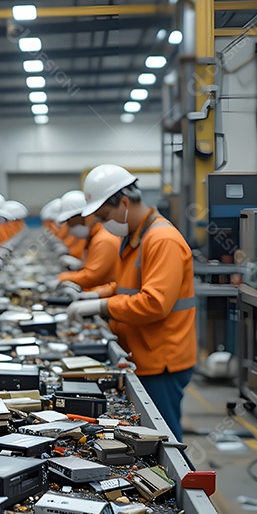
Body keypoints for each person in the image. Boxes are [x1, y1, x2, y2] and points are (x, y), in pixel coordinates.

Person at [66, 164, 196, 440]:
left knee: (164, 440)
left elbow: (154, 303)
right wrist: (96, 295)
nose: (102, 224)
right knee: (151, 435)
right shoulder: (137, 236)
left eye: (104, 215)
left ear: (124, 202)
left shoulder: (162, 239)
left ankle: (180, 485)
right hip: (143, 351)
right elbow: (127, 285)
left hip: (162, 359)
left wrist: (103, 307)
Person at [54, 189, 120, 295]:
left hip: (105, 297)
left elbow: (92, 277)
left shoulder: (104, 239)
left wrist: (63, 277)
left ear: (84, 215)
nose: (69, 226)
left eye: (70, 221)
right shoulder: (94, 236)